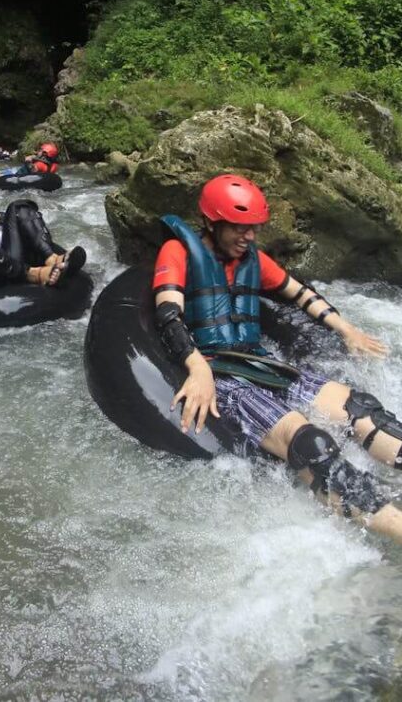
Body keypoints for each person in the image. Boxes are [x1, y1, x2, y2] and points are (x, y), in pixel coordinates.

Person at [153, 173, 402, 540]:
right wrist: (196, 366)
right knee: (312, 444)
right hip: (219, 373)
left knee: (362, 410)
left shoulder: (253, 260)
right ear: (211, 222)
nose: (249, 236)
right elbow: (168, 315)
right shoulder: (179, 252)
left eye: (253, 228)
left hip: (259, 363)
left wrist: (347, 329)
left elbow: (301, 294)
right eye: (239, 227)